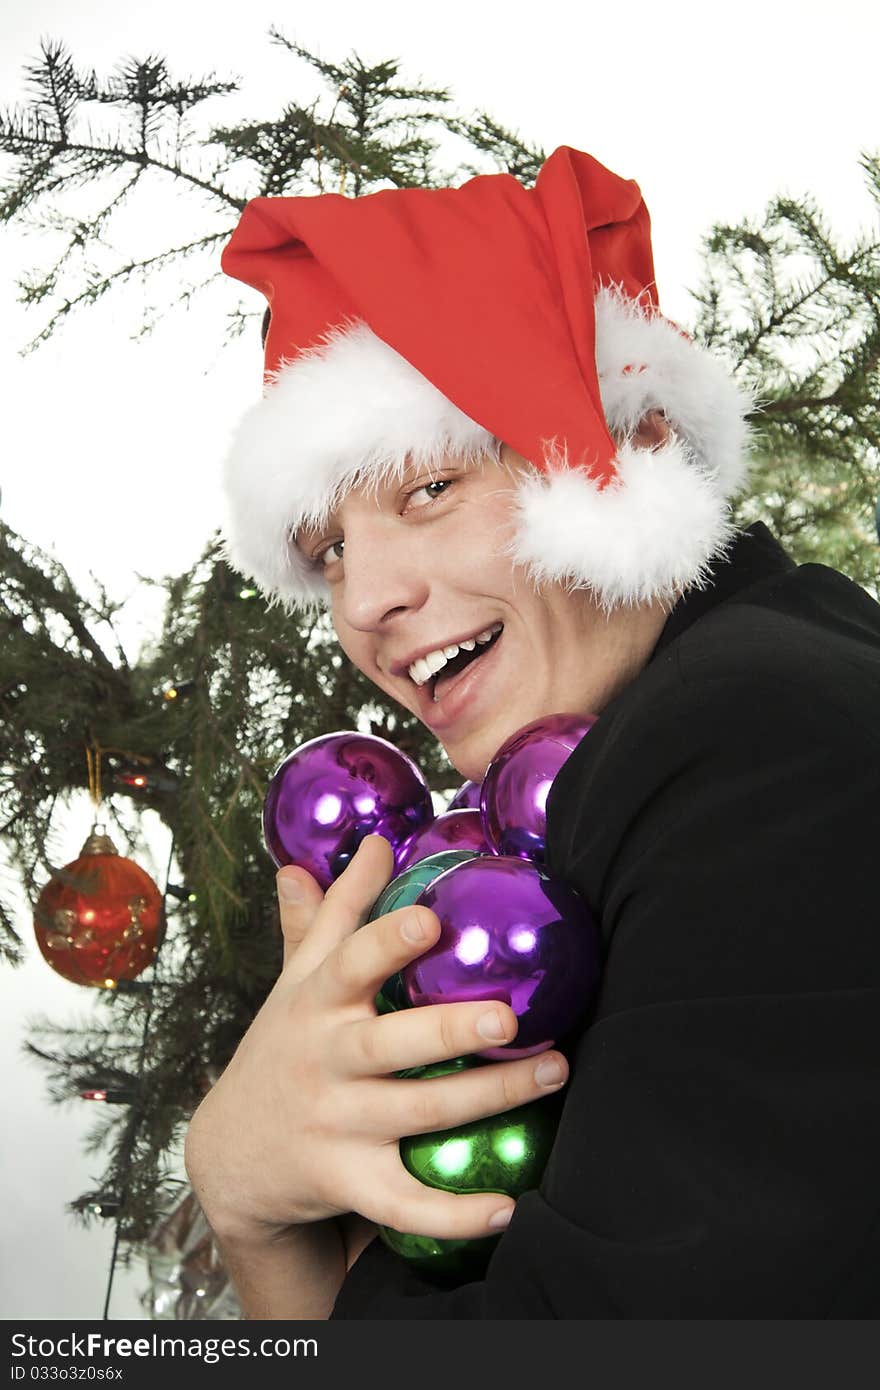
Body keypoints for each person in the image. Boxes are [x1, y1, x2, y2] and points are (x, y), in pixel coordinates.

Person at [184, 147, 880, 1318]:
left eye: (425, 491)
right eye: (331, 549)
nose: (362, 605)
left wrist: (252, 1210)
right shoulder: (680, 726)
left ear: (636, 449)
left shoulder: (758, 747)